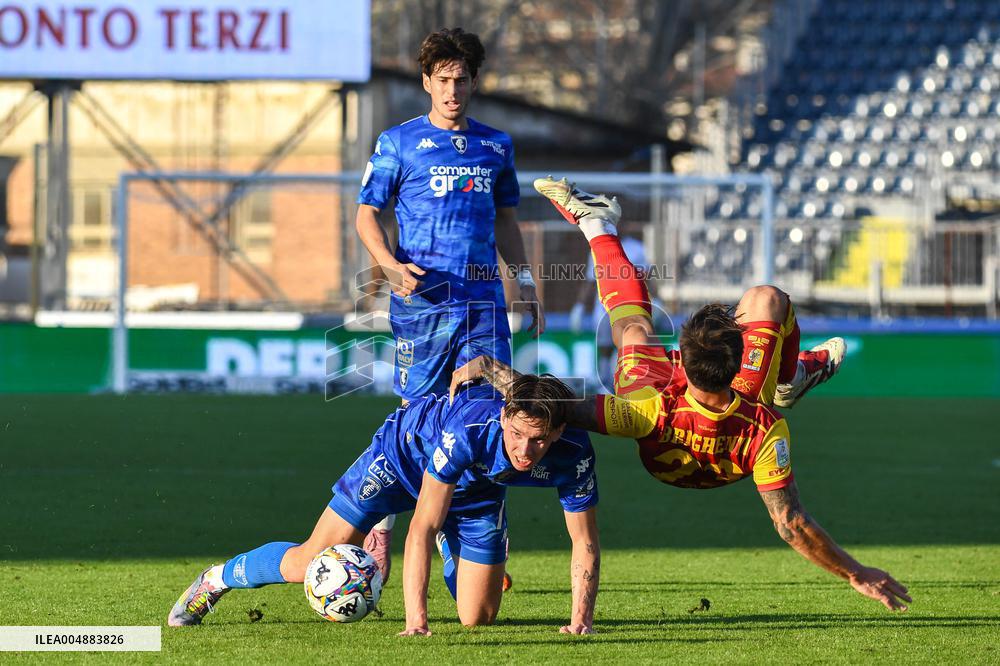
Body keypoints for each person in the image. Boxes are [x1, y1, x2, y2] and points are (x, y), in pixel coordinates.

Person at [450, 176, 911, 612]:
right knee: (768, 297)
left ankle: (597, 226)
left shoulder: (646, 411)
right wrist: (856, 572)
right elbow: (790, 523)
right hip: (735, 440)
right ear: (739, 364)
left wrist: (489, 368)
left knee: (634, 331)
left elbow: (552, 404)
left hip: (664, 442)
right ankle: (787, 378)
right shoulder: (765, 428)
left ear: (680, 365)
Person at [167, 378, 601, 636]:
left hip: (477, 492)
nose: (525, 450)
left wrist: (581, 620)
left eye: (539, 440)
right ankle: (216, 579)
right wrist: (417, 621)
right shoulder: (469, 431)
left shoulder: (574, 453)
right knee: (308, 561)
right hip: (402, 460)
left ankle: (454, 543)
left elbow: (584, 541)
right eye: (517, 435)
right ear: (504, 417)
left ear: (559, 431)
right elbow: (420, 528)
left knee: (477, 617)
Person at [355, 27, 542, 582]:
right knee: (418, 419)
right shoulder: (398, 143)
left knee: (491, 412)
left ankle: (467, 540)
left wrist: (524, 280)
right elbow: (366, 215)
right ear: (426, 82)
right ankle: (384, 525)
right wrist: (388, 264)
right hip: (424, 305)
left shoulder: (496, 145)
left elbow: (506, 220)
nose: (452, 90)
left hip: (483, 304)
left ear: (475, 82)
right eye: (443, 80)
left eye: (461, 80)